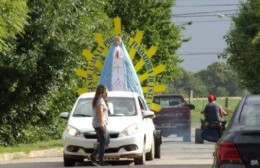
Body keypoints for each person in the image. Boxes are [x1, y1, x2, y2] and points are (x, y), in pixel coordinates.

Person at [90, 84, 111, 166]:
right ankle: (101, 161)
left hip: (101, 123)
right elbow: (100, 112)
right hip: (100, 124)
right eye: (107, 90)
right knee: (103, 142)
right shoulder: (100, 101)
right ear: (103, 91)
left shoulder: (101, 99)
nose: (107, 91)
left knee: (106, 141)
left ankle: (93, 155)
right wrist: (102, 124)